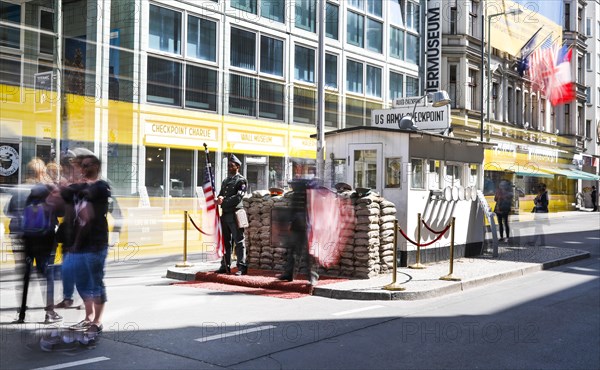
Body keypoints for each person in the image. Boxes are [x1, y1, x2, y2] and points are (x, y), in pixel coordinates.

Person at [13, 158, 62, 323]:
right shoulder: (49, 188)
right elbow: (61, 212)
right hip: (46, 238)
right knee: (47, 275)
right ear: (43, 171)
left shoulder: (22, 189)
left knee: (26, 275)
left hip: (27, 238)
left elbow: (10, 211)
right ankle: (49, 313)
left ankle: (21, 314)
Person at [68, 154, 111, 336]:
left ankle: (97, 321)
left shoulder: (101, 186)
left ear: (96, 166)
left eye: (86, 166)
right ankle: (88, 316)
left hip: (96, 242)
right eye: (81, 166)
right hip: (79, 242)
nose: (83, 169)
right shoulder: (80, 187)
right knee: (82, 281)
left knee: (95, 281)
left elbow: (89, 193)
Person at [277, 178, 319, 285]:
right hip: (297, 226)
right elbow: (293, 210)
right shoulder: (297, 194)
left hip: (305, 226)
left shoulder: (306, 195)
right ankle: (289, 274)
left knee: (308, 253)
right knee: (293, 251)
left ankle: (312, 276)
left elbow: (309, 210)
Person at [215, 154, 248, 276]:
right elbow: (221, 193)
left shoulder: (241, 180)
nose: (229, 167)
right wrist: (219, 198)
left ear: (237, 166)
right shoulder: (226, 180)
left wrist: (224, 201)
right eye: (228, 165)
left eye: (231, 165)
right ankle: (225, 264)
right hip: (225, 214)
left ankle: (241, 266)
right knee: (226, 241)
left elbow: (239, 196)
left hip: (235, 214)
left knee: (239, 241)